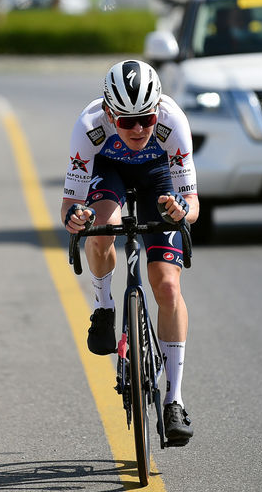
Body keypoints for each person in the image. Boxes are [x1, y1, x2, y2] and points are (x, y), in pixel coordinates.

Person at [60, 59, 200, 446]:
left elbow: (192, 201)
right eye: (126, 121)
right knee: (100, 229)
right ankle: (104, 306)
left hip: (159, 173)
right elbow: (69, 203)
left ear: (158, 111)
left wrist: (180, 211)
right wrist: (75, 218)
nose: (138, 129)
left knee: (167, 287)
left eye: (146, 119)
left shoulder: (173, 122)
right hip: (109, 170)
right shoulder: (89, 127)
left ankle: (174, 400)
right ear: (109, 113)